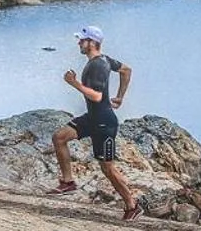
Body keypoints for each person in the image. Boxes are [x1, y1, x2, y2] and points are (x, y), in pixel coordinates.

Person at [51, 25, 139, 221]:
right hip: (92, 118)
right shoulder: (105, 60)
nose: (79, 43)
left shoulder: (98, 65)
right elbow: (126, 70)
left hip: (104, 123)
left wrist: (74, 83)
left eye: (82, 40)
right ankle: (68, 182)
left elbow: (97, 96)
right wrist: (120, 97)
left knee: (107, 168)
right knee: (59, 137)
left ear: (92, 43)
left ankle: (132, 205)